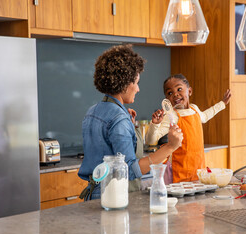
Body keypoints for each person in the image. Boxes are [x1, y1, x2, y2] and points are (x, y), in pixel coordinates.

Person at [78, 45, 183, 200]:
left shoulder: (93, 111)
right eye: (136, 82)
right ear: (125, 83)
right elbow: (130, 170)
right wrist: (170, 146)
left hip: (93, 196)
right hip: (114, 197)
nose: (138, 89)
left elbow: (107, 149)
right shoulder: (118, 118)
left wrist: (130, 124)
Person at [145, 74, 231, 183]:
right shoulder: (171, 116)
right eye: (170, 93)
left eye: (179, 89)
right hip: (178, 172)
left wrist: (222, 103)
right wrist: (155, 124)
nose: (175, 94)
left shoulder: (194, 109)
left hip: (198, 169)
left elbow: (205, 116)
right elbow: (150, 140)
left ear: (189, 91)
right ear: (167, 99)